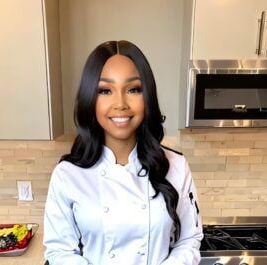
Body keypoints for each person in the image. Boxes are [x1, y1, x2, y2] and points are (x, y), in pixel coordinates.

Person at [43, 40, 203, 265]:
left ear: (147, 97)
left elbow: (189, 240)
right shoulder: (67, 175)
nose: (120, 103)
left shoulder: (175, 166)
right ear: (90, 98)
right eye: (105, 90)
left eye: (134, 89)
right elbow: (59, 251)